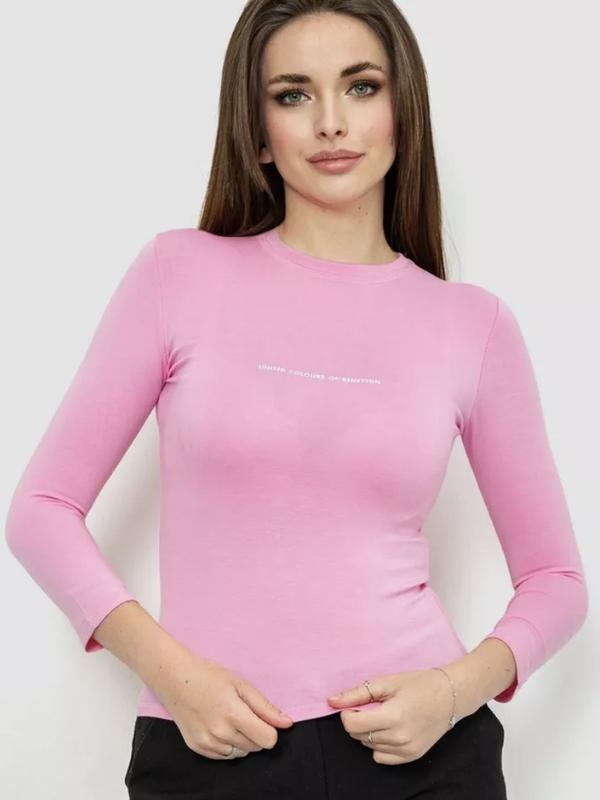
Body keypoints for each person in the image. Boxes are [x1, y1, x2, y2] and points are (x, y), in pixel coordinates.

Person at [5, 2, 588, 798]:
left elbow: (556, 578)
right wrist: (173, 675)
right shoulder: (177, 276)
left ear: (403, 111)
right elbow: (40, 509)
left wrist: (452, 694)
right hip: (208, 747)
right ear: (257, 133)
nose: (330, 122)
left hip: (421, 756)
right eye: (292, 94)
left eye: (361, 86)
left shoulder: (472, 325)